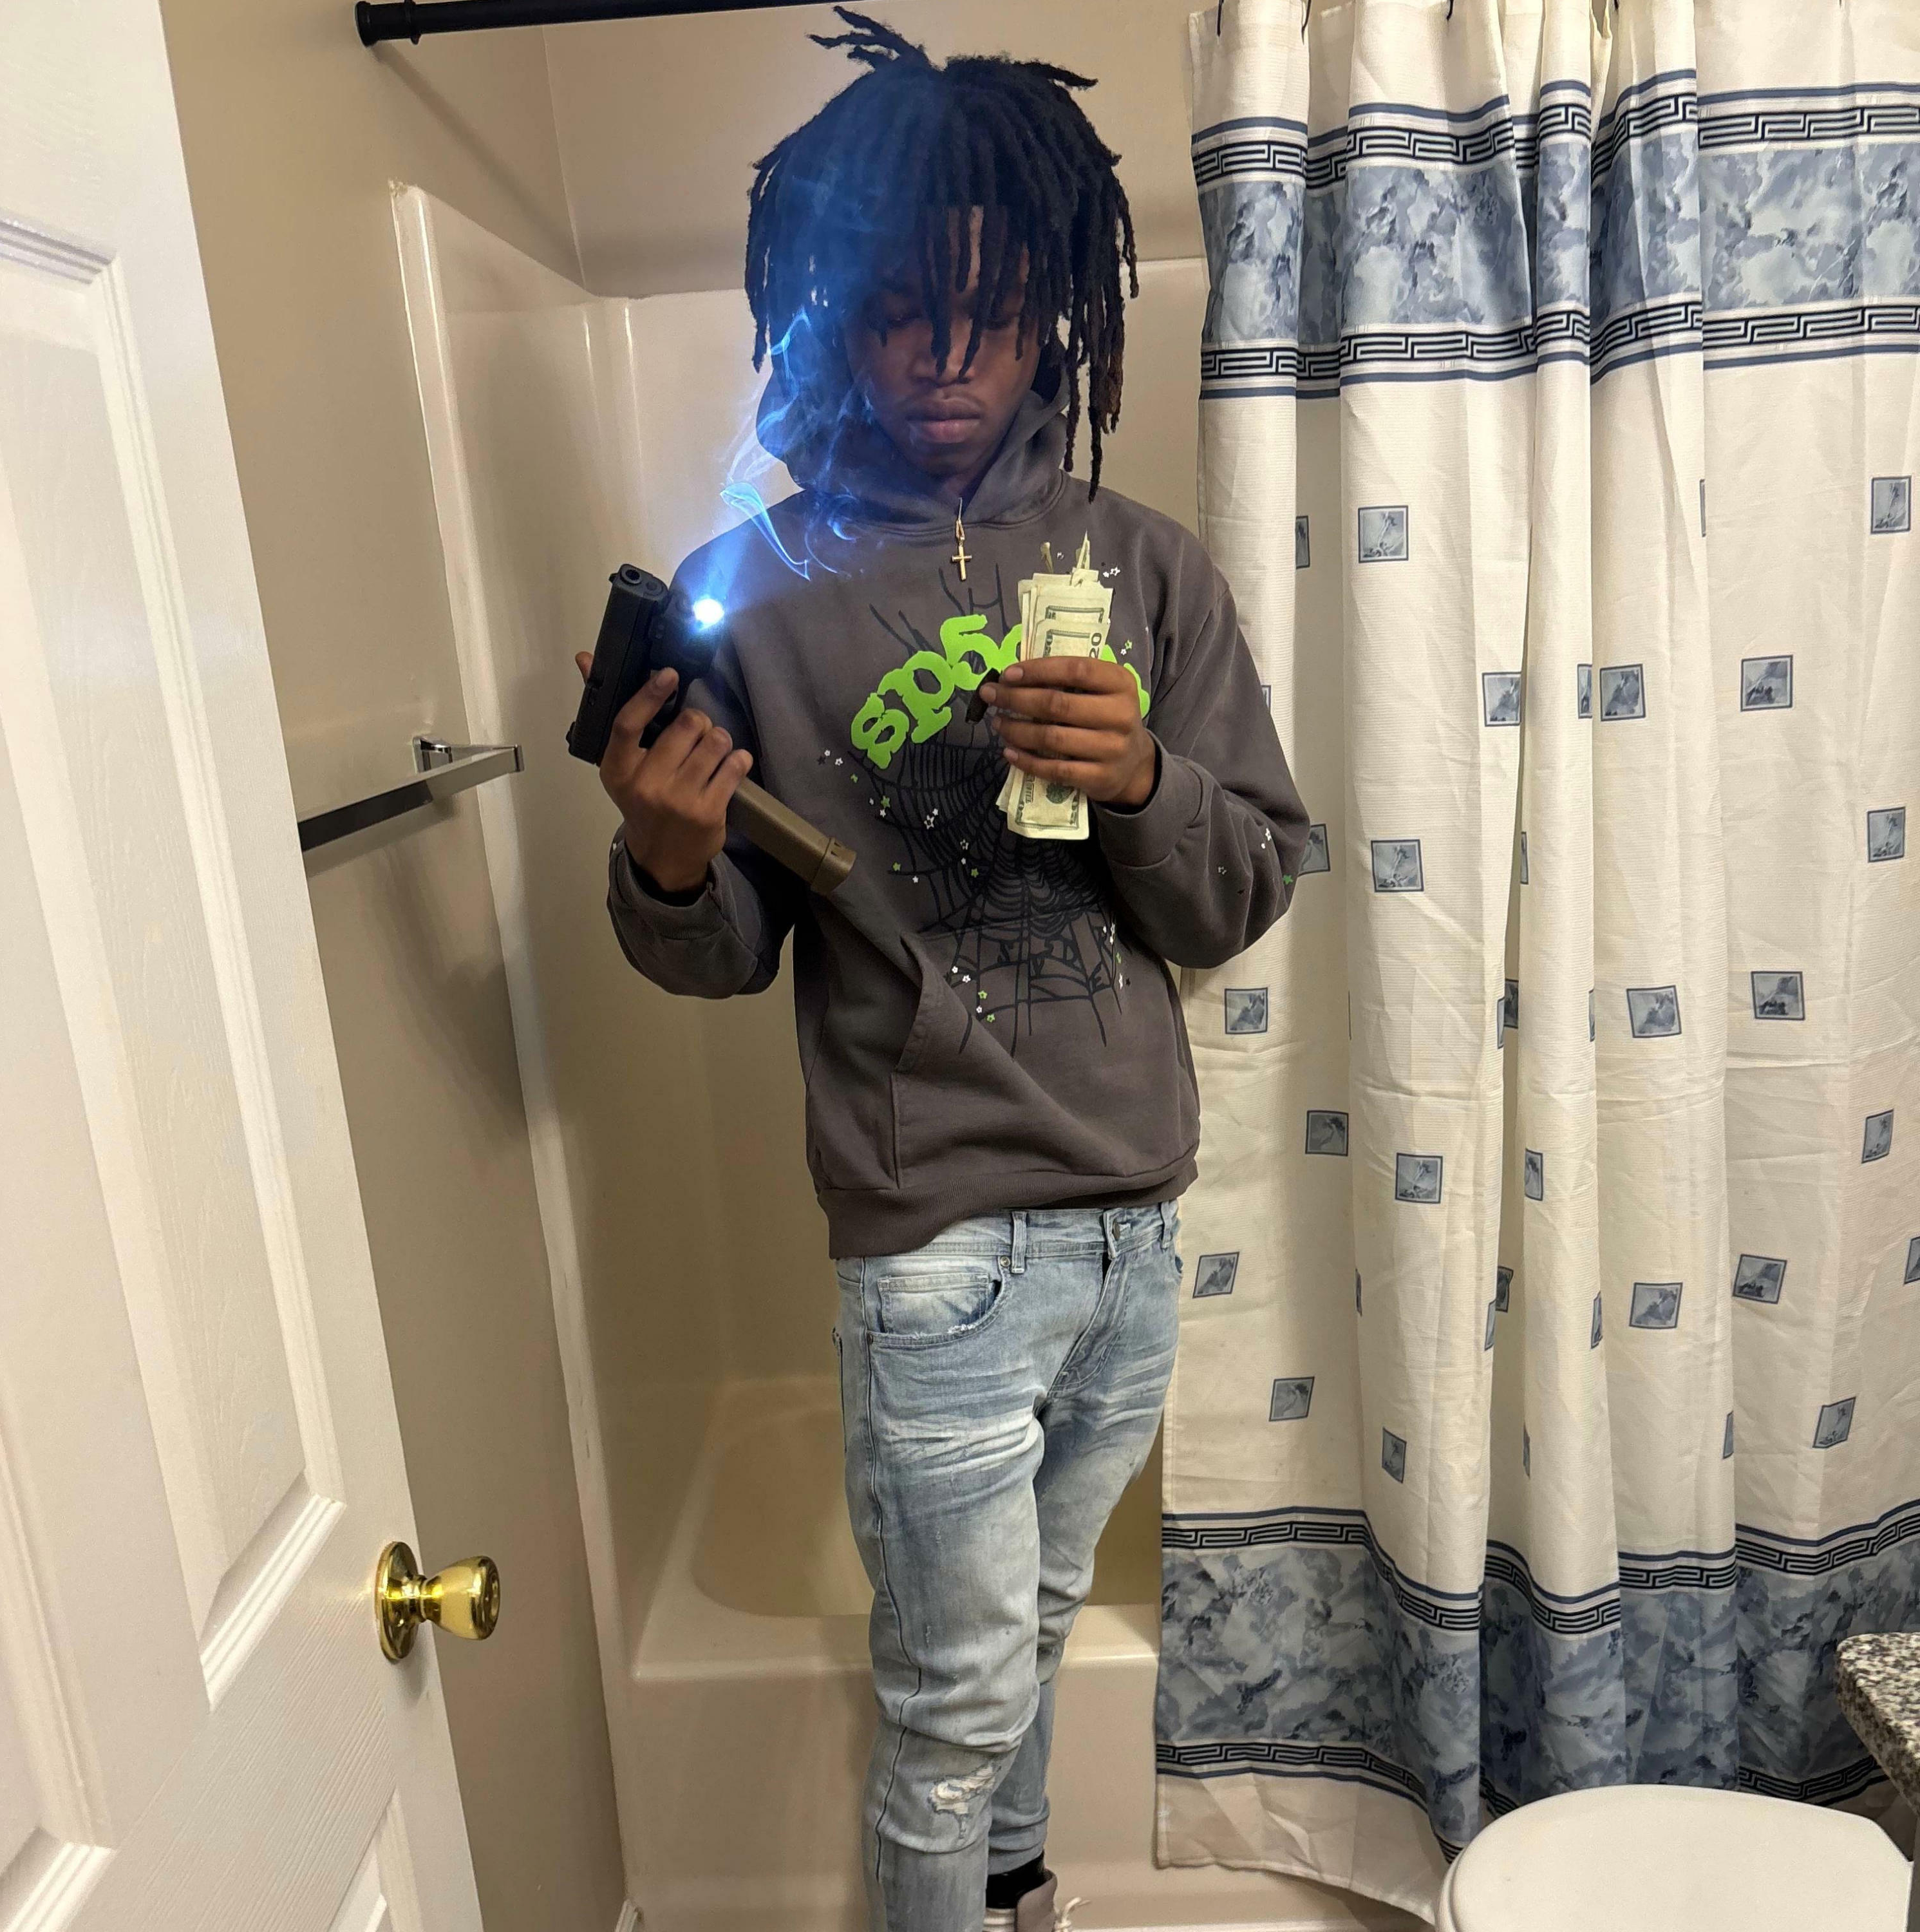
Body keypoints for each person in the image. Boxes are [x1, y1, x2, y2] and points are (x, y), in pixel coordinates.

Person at [583, 14, 1310, 1929]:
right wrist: (669, 858)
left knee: (1038, 1633)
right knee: (954, 1705)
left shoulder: (1151, 568)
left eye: (988, 314)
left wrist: (1145, 782)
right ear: (837, 308)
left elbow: (1243, 892)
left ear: (1057, 305)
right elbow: (723, 949)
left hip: (1134, 1224)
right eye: (902, 311)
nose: (943, 360)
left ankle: (1019, 1896)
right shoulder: (754, 591)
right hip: (936, 1254)